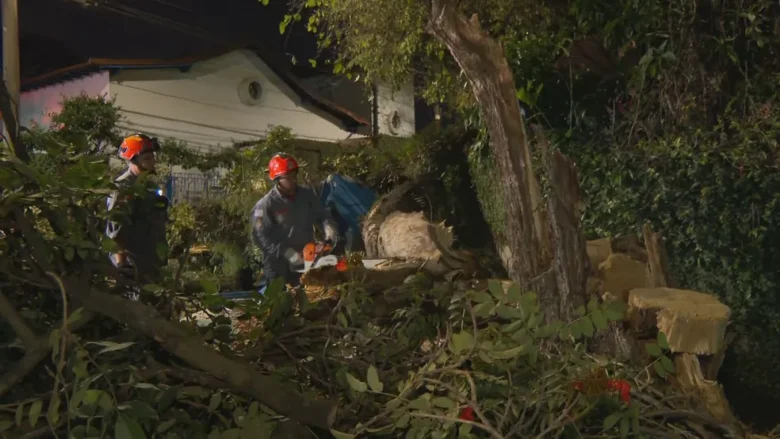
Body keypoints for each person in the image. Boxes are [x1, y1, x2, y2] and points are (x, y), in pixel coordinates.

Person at [251, 153, 339, 286]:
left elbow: (323, 215)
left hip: (305, 260)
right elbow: (261, 237)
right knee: (282, 302)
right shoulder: (265, 205)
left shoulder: (306, 195)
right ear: (278, 179)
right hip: (278, 265)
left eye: (294, 175)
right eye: (288, 177)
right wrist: (287, 252)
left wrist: (329, 230)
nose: (293, 180)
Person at [105, 133, 169, 285]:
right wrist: (121, 265)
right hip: (132, 269)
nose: (152, 162)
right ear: (132, 160)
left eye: (152, 157)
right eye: (146, 159)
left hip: (151, 265)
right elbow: (117, 231)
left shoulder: (148, 187)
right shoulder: (123, 189)